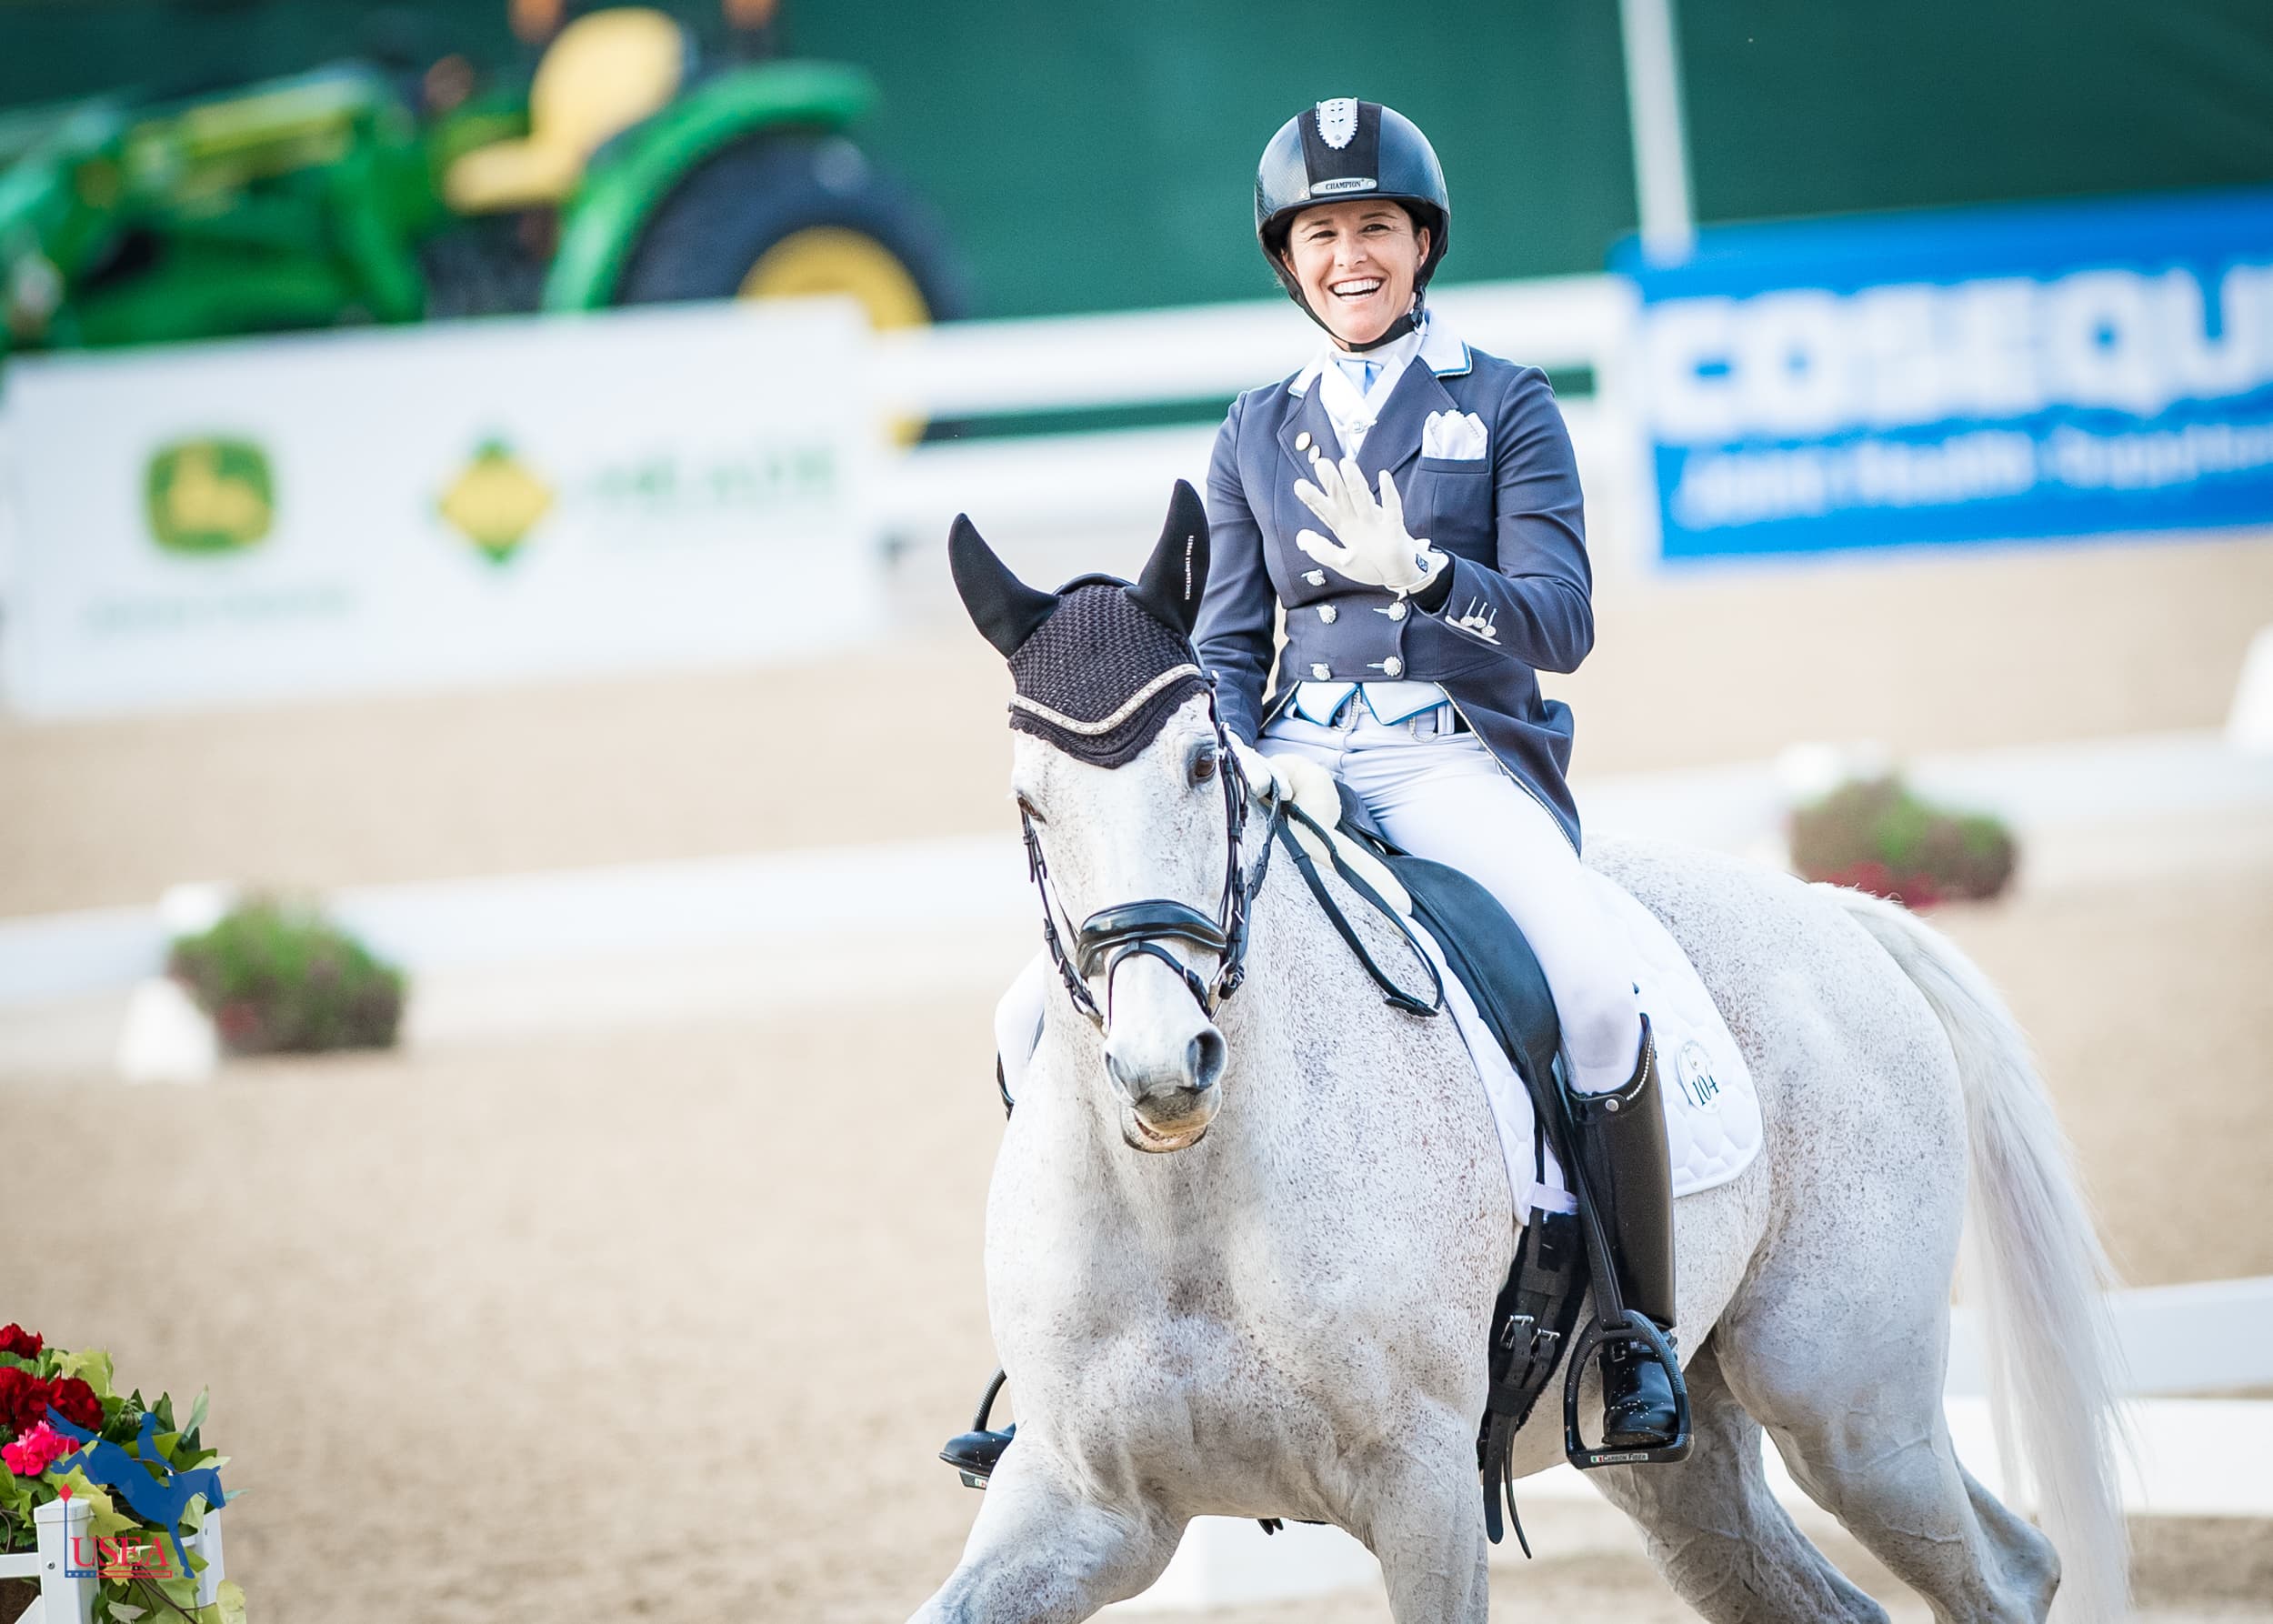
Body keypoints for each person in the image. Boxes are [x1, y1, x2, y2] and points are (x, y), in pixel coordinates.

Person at [940, 98, 1679, 1487]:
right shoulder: (1256, 428)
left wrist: (1433, 579)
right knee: (1034, 1009)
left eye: (1376, 230)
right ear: (1292, 258)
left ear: (1421, 244)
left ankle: (1634, 1326)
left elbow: (1566, 621)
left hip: (1455, 755)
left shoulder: (1504, 403)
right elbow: (1226, 636)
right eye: (1324, 234)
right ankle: (1068, 1341)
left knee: (1590, 982)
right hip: (1295, 756)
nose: (1353, 256)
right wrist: (1239, 744)